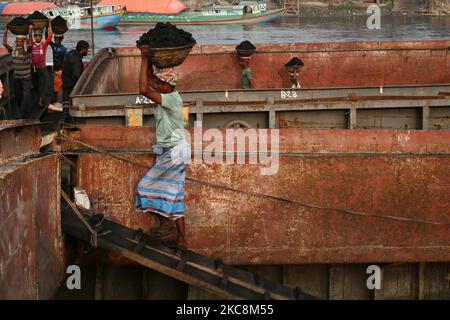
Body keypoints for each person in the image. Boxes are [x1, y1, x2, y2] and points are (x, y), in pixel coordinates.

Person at [135, 45, 190, 248]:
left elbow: (143, 88)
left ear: (169, 85)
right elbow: (149, 83)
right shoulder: (169, 96)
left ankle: (165, 223)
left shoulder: (171, 100)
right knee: (174, 194)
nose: (156, 85)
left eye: (160, 83)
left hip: (175, 152)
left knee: (144, 188)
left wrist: (143, 58)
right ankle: (182, 239)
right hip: (175, 151)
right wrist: (149, 59)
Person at [3, 24, 33, 118]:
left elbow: (31, 44)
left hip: (26, 77)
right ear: (16, 42)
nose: (19, 42)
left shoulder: (27, 50)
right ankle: (24, 112)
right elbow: (4, 43)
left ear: (23, 42)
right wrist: (5, 31)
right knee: (19, 96)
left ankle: (22, 116)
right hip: (17, 77)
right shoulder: (13, 50)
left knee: (26, 95)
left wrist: (30, 32)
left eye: (21, 41)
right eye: (18, 41)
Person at [31, 26, 53, 108]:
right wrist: (29, 29)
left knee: (42, 85)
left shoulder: (44, 45)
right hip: (33, 69)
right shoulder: (31, 45)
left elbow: (50, 36)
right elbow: (26, 38)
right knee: (35, 85)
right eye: (36, 36)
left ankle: (40, 101)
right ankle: (37, 99)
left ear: (41, 37)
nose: (37, 37)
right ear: (34, 37)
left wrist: (49, 25)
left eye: (39, 36)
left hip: (42, 69)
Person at [49, 34, 67, 102]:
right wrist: (48, 26)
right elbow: (47, 38)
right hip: (53, 70)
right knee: (53, 85)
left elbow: (65, 61)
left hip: (59, 70)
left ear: (61, 40)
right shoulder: (53, 46)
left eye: (58, 39)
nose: (57, 40)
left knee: (58, 86)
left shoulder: (63, 49)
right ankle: (53, 99)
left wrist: (62, 70)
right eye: (55, 39)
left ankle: (58, 100)